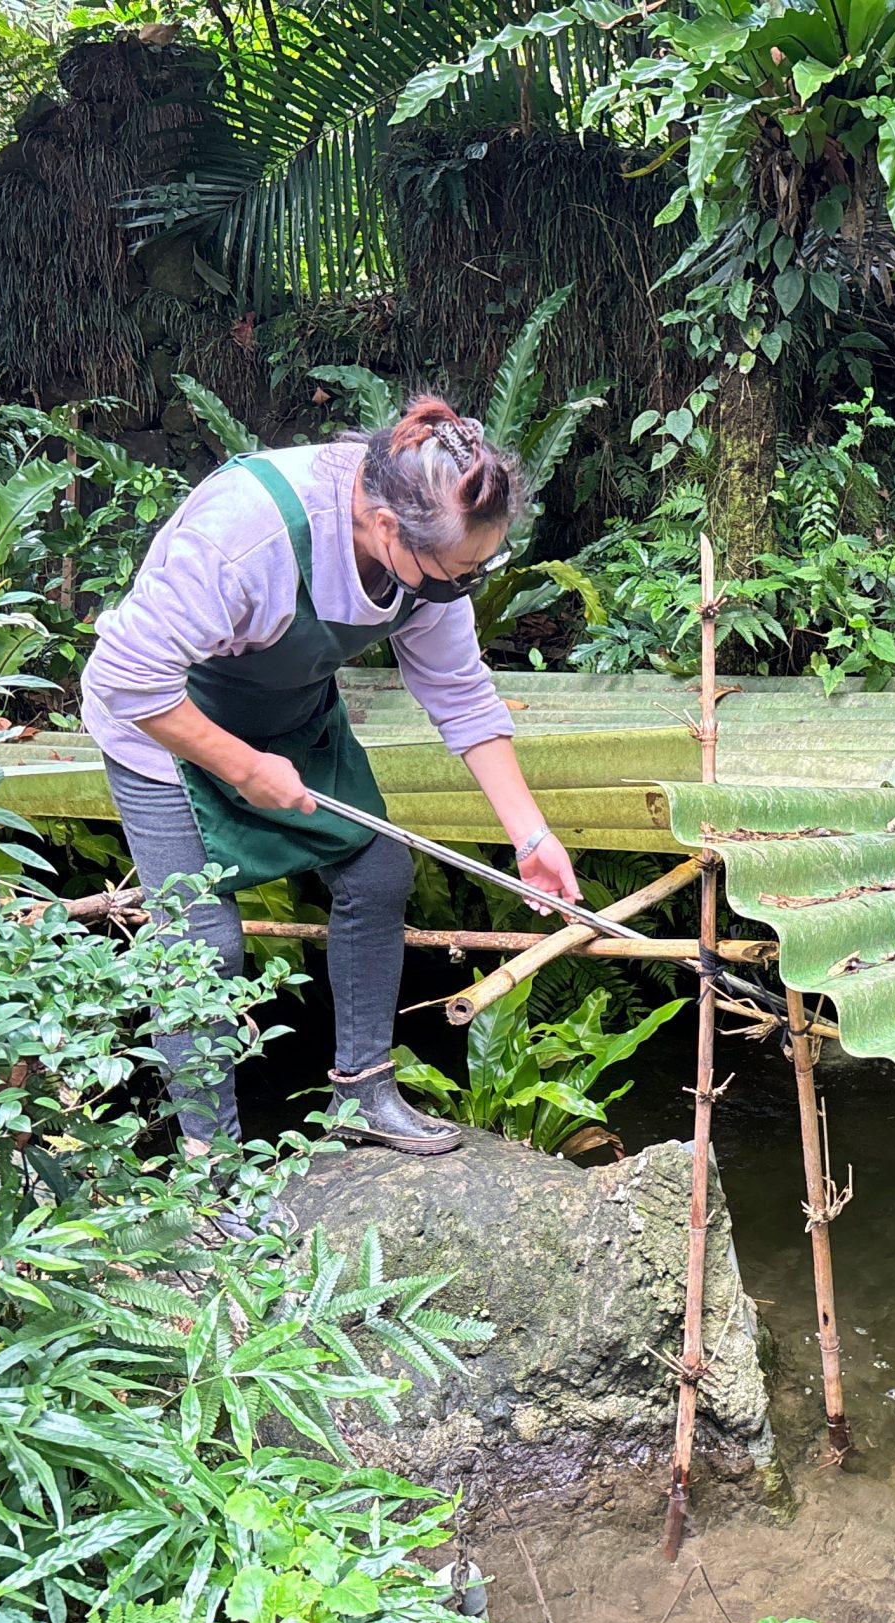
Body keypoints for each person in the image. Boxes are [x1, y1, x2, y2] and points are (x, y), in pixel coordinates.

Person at [80, 393, 582, 1166]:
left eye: (481, 569)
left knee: (378, 869)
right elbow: (126, 677)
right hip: (162, 725)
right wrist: (243, 768)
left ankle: (363, 1095)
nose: (464, 587)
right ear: (386, 529)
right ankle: (213, 1172)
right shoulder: (249, 535)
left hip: (291, 714)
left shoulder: (431, 561)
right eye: (457, 574)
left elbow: (458, 691)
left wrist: (531, 833)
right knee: (202, 947)